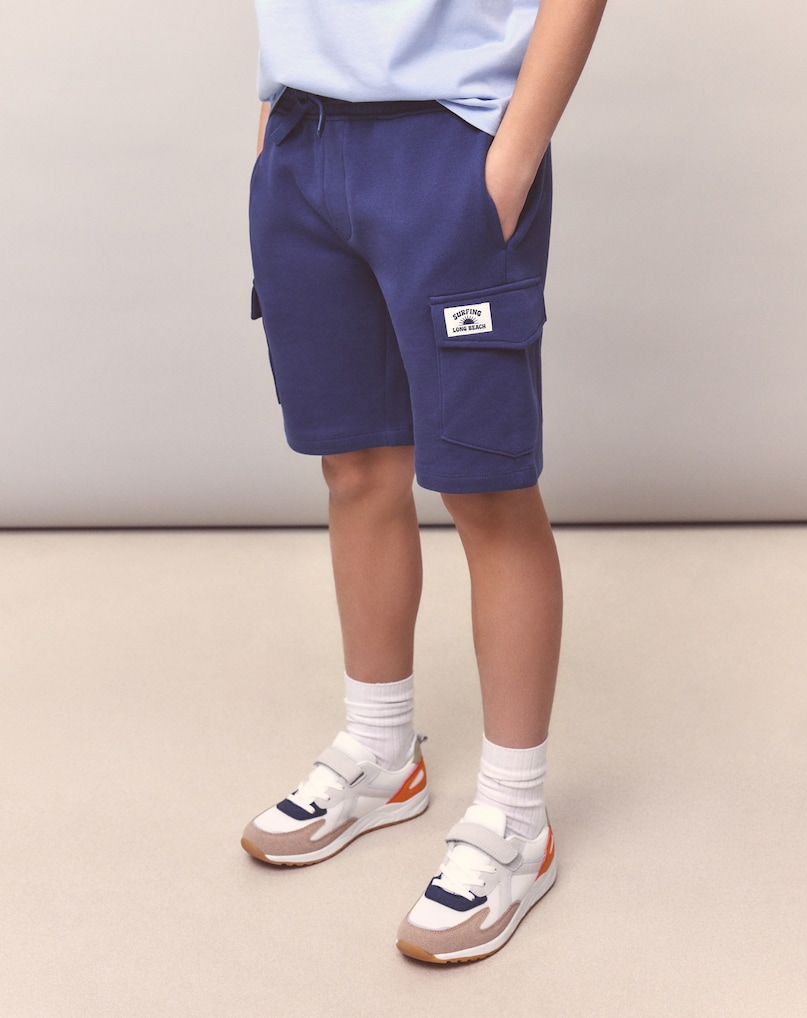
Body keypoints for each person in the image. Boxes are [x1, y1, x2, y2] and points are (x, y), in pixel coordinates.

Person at [242, 0, 608, 964]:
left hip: (450, 141)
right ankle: (381, 755)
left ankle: (516, 822)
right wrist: (272, 122)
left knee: (486, 488)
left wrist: (510, 155)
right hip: (303, 138)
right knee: (356, 466)